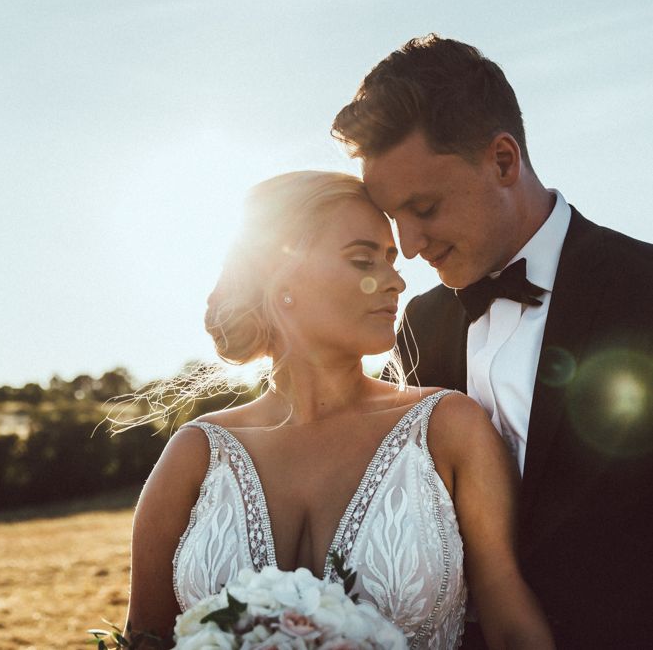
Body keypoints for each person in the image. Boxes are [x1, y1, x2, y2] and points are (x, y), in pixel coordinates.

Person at [126, 171, 553, 648]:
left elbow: (510, 624)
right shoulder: (195, 454)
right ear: (282, 277)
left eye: (391, 260)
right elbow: (144, 636)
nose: (395, 281)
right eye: (362, 259)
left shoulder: (448, 428)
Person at [332, 34, 653, 649]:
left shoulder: (643, 290)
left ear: (503, 160)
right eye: (393, 218)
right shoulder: (417, 327)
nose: (409, 246)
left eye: (423, 207)